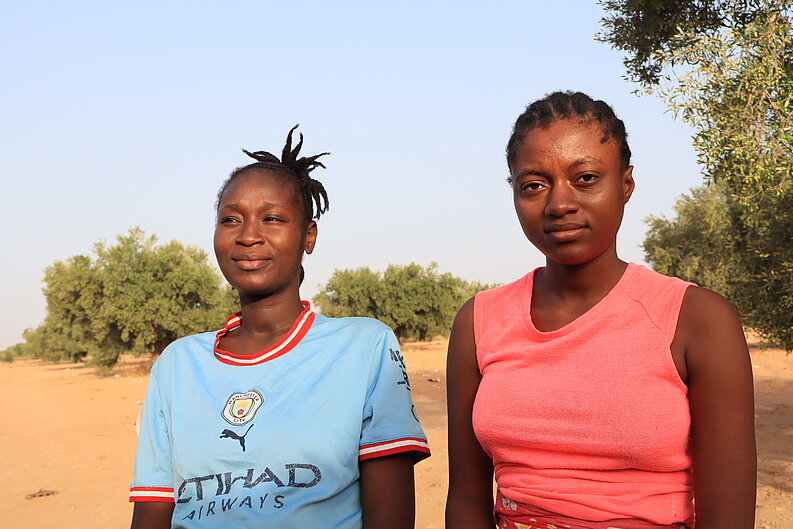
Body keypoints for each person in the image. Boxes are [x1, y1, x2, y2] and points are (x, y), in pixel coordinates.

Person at [445, 92, 756, 529]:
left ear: (626, 184)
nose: (559, 204)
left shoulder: (696, 320)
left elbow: (729, 517)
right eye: (533, 185)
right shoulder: (479, 321)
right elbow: (465, 499)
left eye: (586, 177)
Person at [129, 126, 430, 529]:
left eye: (271, 218)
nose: (249, 236)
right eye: (230, 219)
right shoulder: (178, 364)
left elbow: (390, 517)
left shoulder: (364, 347)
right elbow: (152, 510)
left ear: (309, 235)